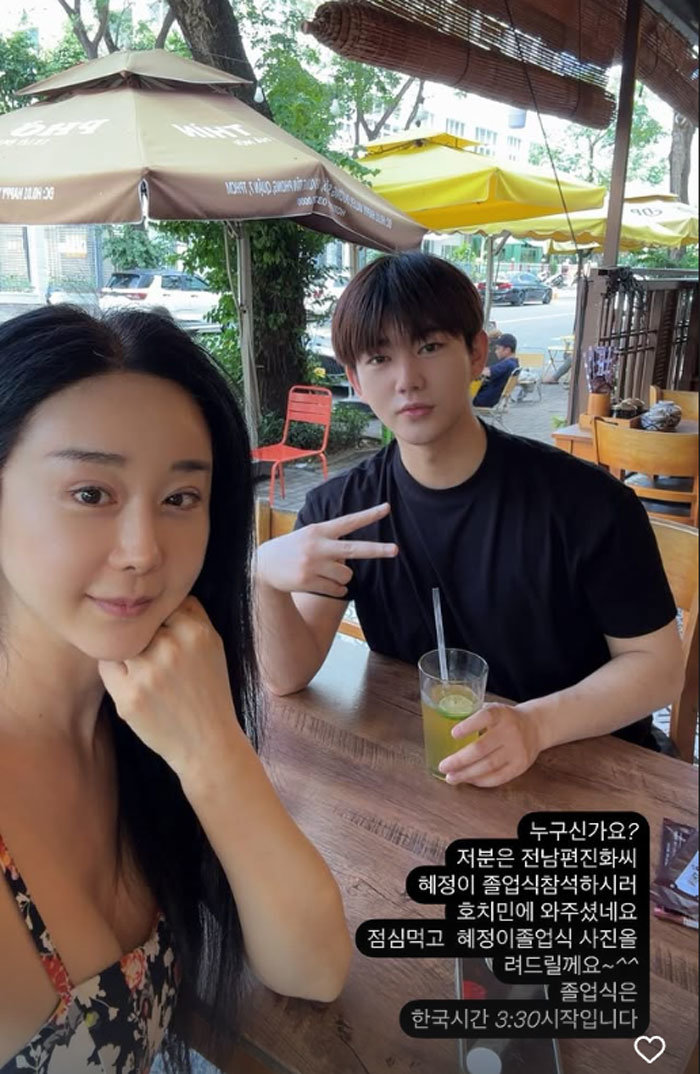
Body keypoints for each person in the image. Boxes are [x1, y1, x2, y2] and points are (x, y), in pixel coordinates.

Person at [0, 306, 351, 1073]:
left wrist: (213, 750)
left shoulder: (151, 721)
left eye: (180, 498)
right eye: (90, 493)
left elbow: (315, 968)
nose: (143, 551)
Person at [254, 252, 684, 789]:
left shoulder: (589, 505)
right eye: (379, 358)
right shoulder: (343, 513)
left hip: (589, 772)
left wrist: (535, 725)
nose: (408, 380)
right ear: (356, 380)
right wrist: (263, 577)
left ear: (476, 353)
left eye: (429, 347)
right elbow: (285, 677)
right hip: (433, 774)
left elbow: (658, 669)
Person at [472, 333, 519, 407]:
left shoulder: (507, 364)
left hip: (484, 400)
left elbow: (487, 372)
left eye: (498, 348)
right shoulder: (514, 363)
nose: (495, 351)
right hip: (494, 399)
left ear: (507, 350)